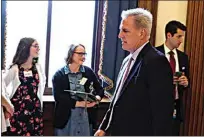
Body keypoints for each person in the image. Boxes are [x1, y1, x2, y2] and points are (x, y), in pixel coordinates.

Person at [94, 8, 174, 136]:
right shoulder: (127, 60)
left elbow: (162, 113)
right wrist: (104, 128)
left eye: (125, 30)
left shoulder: (157, 61)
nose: (120, 35)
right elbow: (117, 101)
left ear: (142, 33)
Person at [52, 43, 104, 136]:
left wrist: (97, 99)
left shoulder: (88, 72)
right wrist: (79, 104)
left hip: (85, 116)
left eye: (84, 54)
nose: (83, 56)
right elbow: (58, 97)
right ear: (71, 54)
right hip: (66, 117)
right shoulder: (59, 74)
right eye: (80, 54)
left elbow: (100, 89)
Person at [2, 37, 46, 136]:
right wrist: (6, 106)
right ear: (26, 48)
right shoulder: (15, 69)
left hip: (35, 112)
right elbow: (3, 86)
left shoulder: (38, 68)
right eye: (35, 46)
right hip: (18, 113)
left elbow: (42, 84)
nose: (38, 48)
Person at [156, 20, 189, 136]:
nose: (181, 40)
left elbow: (186, 83)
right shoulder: (154, 54)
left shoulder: (183, 57)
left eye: (182, 37)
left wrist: (185, 83)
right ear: (169, 35)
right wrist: (166, 81)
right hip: (156, 109)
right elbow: (148, 83)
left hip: (176, 108)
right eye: (179, 36)